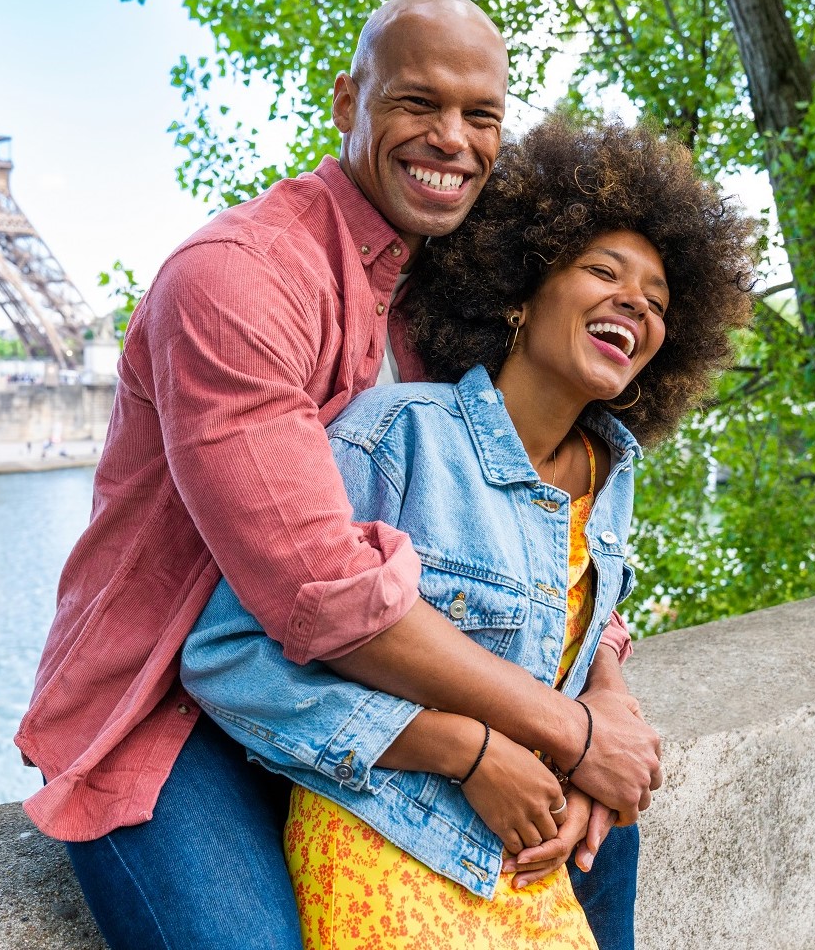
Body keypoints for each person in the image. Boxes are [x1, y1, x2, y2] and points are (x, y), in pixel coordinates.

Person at [17, 0, 663, 950]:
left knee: (601, 848)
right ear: (345, 101)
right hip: (177, 708)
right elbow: (323, 595)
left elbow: (538, 536)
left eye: (481, 116)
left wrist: (601, 688)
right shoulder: (238, 278)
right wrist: (556, 734)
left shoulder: (450, 306)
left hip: (369, 695)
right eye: (417, 103)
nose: (452, 139)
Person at [182, 114, 757, 947]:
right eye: (604, 270)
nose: (635, 300)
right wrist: (468, 749)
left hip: (524, 863)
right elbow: (230, 652)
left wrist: (601, 718)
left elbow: (559, 637)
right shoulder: (400, 437)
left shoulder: (609, 479)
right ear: (521, 295)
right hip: (388, 847)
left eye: (660, 302)